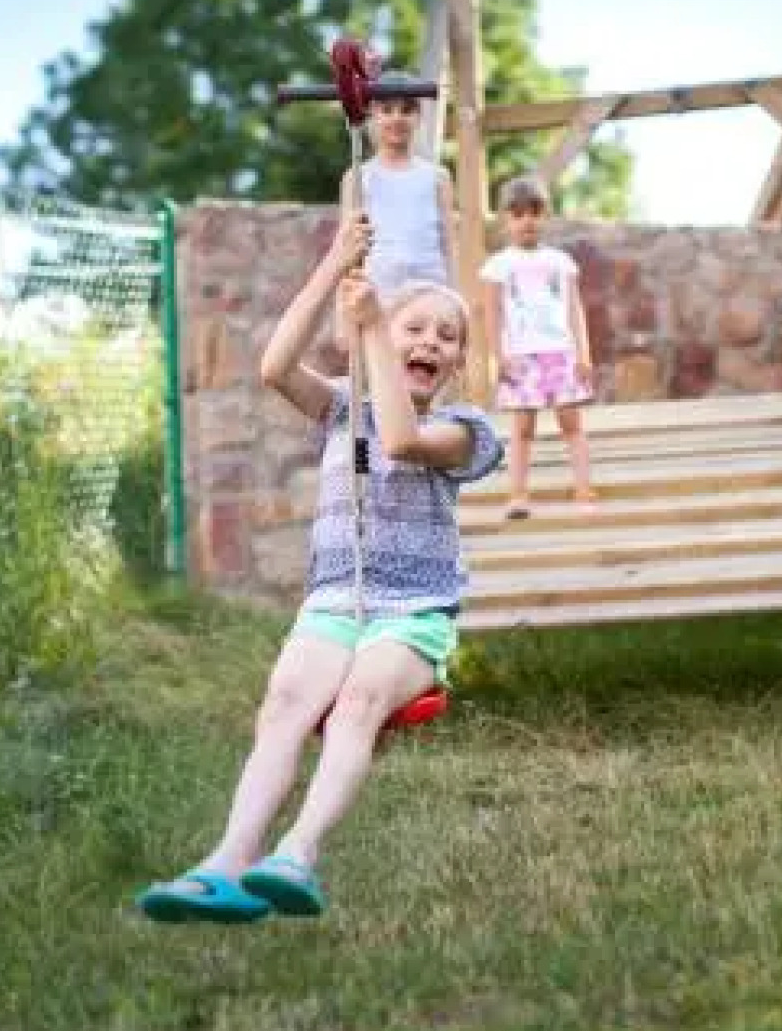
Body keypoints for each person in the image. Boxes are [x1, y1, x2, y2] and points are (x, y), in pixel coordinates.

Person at [135, 212, 503, 924]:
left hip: (411, 612)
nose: (428, 340)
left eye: (445, 336)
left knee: (360, 702)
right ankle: (227, 864)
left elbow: (398, 440)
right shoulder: (340, 408)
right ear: (389, 338)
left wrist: (371, 329)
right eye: (414, 327)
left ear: (456, 363)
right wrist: (335, 264)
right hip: (336, 601)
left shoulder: (466, 433)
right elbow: (274, 367)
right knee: (281, 709)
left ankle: (297, 853)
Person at [479, 175, 597, 520]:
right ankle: (517, 494)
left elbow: (575, 308)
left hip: (560, 352)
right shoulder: (498, 265)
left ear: (545, 215)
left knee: (571, 423)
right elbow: (492, 314)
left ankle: (583, 488)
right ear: (505, 219)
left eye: (534, 212)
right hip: (520, 357)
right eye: (517, 214)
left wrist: (583, 352)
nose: (527, 220)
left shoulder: (561, 262)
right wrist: (497, 357)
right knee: (522, 429)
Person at [332, 71, 457, 350]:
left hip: (429, 295)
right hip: (378, 297)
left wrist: (456, 302)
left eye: (406, 110)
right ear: (372, 115)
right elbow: (346, 251)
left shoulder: (437, 178)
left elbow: (449, 244)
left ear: (419, 116)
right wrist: (342, 318)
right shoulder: (358, 178)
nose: (397, 118)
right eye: (387, 110)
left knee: (422, 378)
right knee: (381, 384)